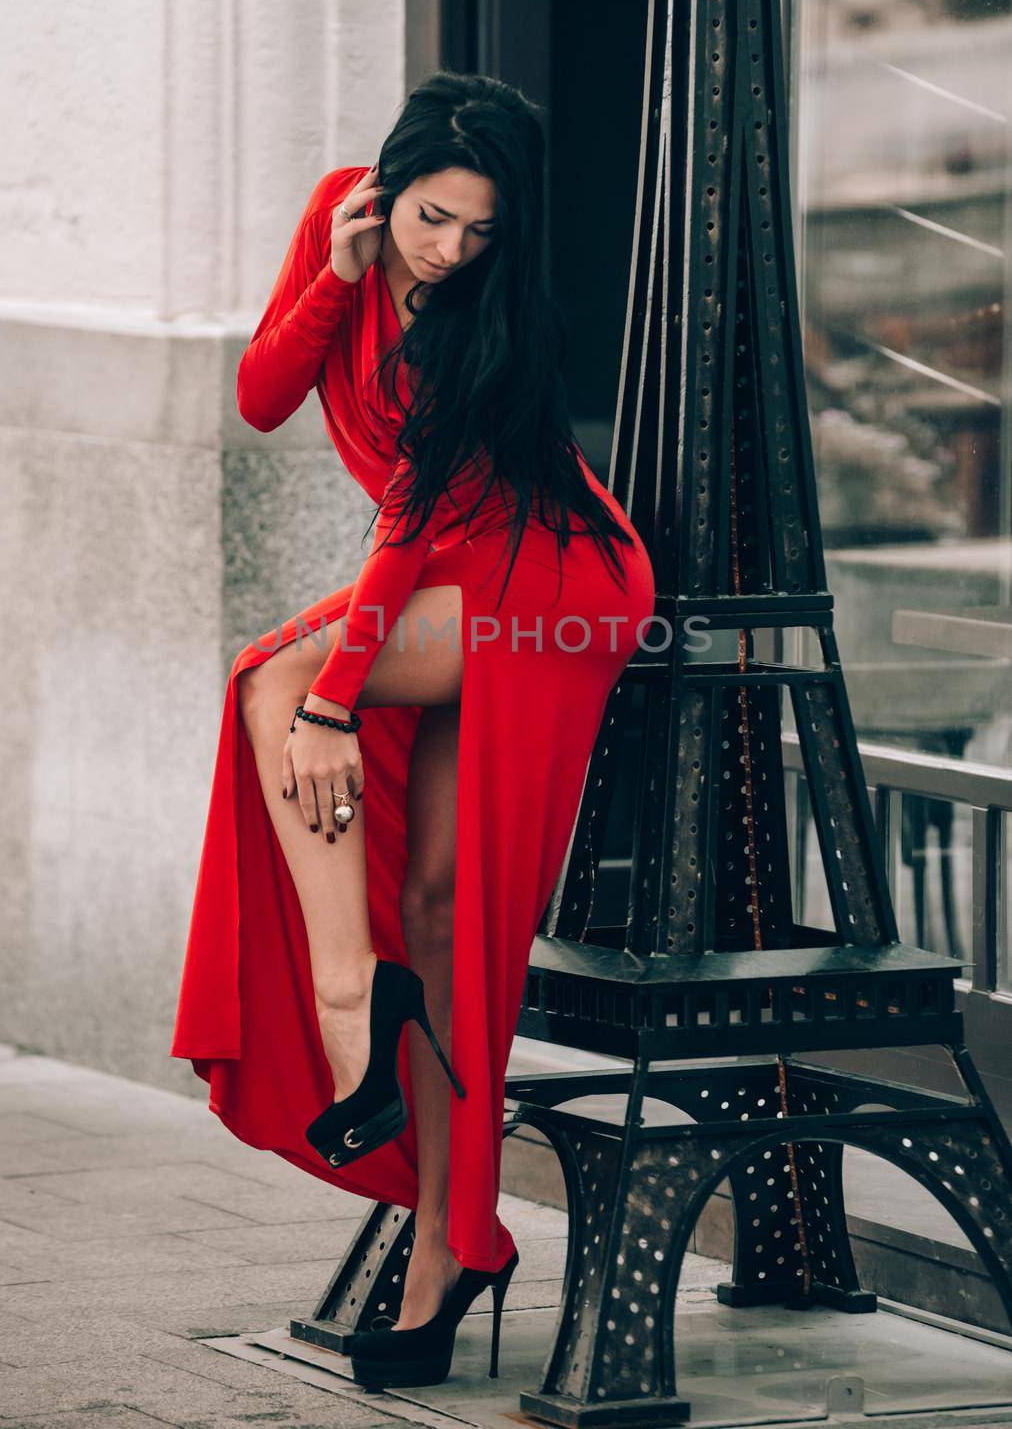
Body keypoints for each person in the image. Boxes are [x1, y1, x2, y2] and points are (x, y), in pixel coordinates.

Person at [170, 70, 656, 1386]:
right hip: (452, 574)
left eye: (480, 230)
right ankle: (452, 1241)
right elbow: (264, 397)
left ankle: (353, 1014)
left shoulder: (484, 317)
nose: (450, 251)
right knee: (434, 909)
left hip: (546, 578)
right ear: (390, 191)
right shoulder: (346, 220)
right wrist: (336, 274)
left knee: (278, 689)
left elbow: (409, 520)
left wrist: (336, 698)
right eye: (433, 219)